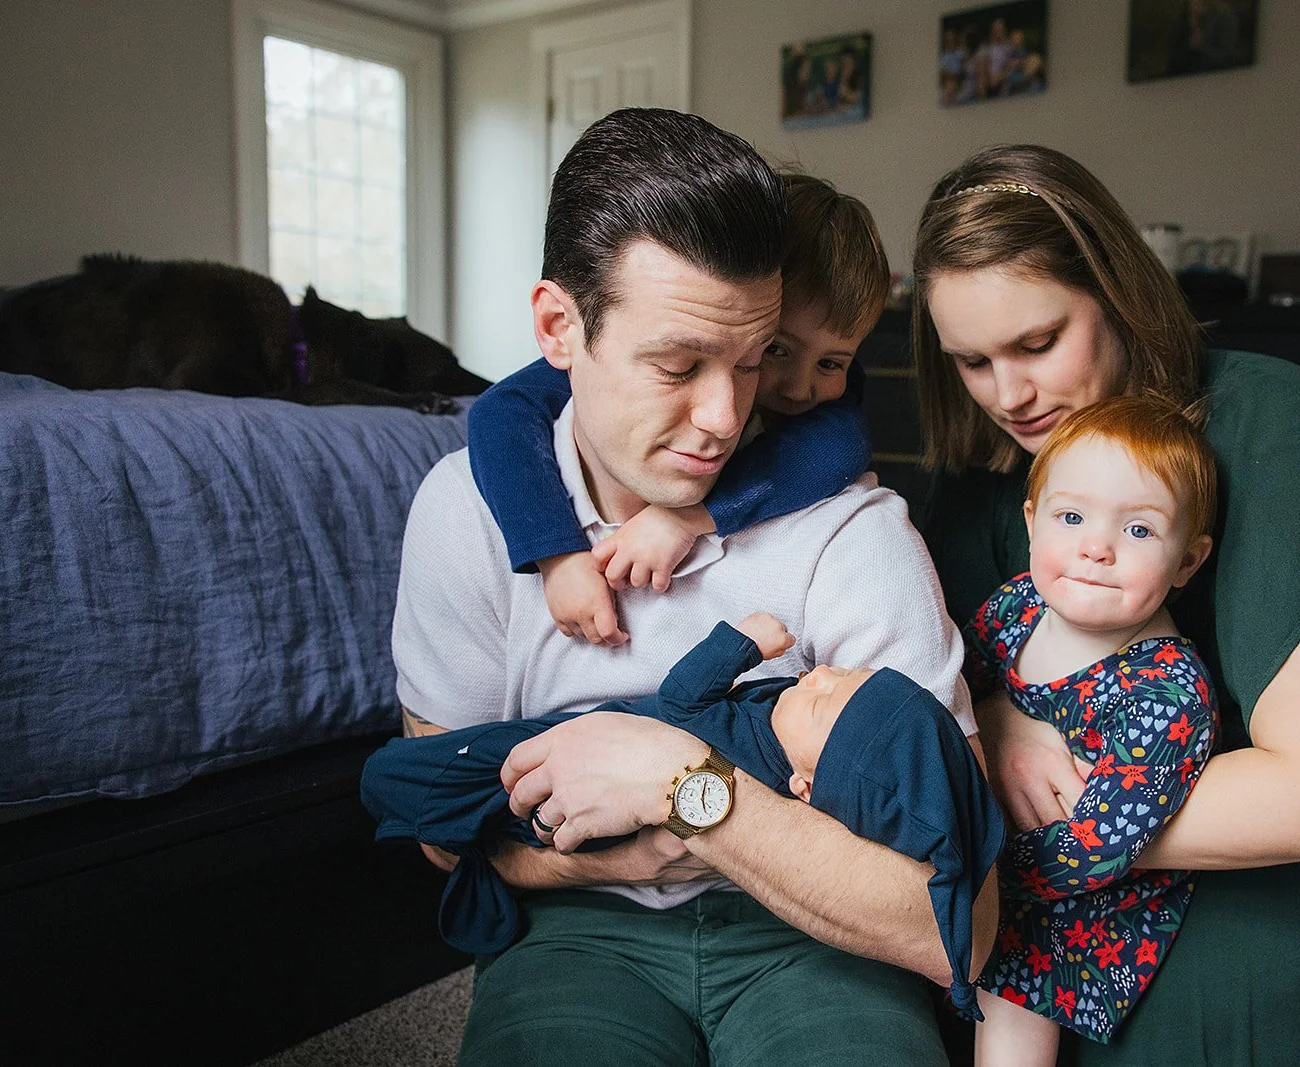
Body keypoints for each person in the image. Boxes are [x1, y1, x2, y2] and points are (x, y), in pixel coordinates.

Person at [392, 107, 994, 1067]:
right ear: (558, 326)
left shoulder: (853, 525)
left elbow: (956, 924)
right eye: (678, 365)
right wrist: (632, 854)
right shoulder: (467, 508)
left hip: (812, 928)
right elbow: (436, 827)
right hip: (576, 926)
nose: (727, 416)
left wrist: (685, 793)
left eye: (755, 360)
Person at [912, 147, 1300, 1065]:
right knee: (914, 1004)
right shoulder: (987, 468)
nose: (1008, 394)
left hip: (1289, 825)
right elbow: (960, 667)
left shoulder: (1286, 429)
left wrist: (1012, 847)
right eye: (972, 360)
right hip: (1081, 812)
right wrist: (1000, 725)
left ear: (1116, 290)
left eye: (1039, 342)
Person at [364, 612, 1004, 1019]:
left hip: (558, 776)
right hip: (577, 865)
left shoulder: (750, 744)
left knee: (409, 777)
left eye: (824, 700)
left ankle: (402, 794)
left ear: (809, 788)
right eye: (845, 674)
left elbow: (681, 694)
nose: (820, 673)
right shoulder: (795, 771)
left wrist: (740, 646)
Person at [465, 173, 887, 646]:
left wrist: (685, 518)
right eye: (775, 351)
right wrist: (558, 558)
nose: (799, 389)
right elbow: (501, 410)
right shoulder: (606, 357)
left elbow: (840, 445)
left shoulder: (838, 442)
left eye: (831, 363)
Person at [963, 395, 1219, 1063]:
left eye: (1138, 530)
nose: (1096, 547)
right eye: (1071, 516)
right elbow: (953, 682)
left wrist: (969, 862)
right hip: (976, 842)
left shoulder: (1165, 692)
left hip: (1073, 907)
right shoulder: (1018, 604)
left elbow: (1096, 849)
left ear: (1187, 561)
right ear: (1032, 521)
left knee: (1012, 1004)